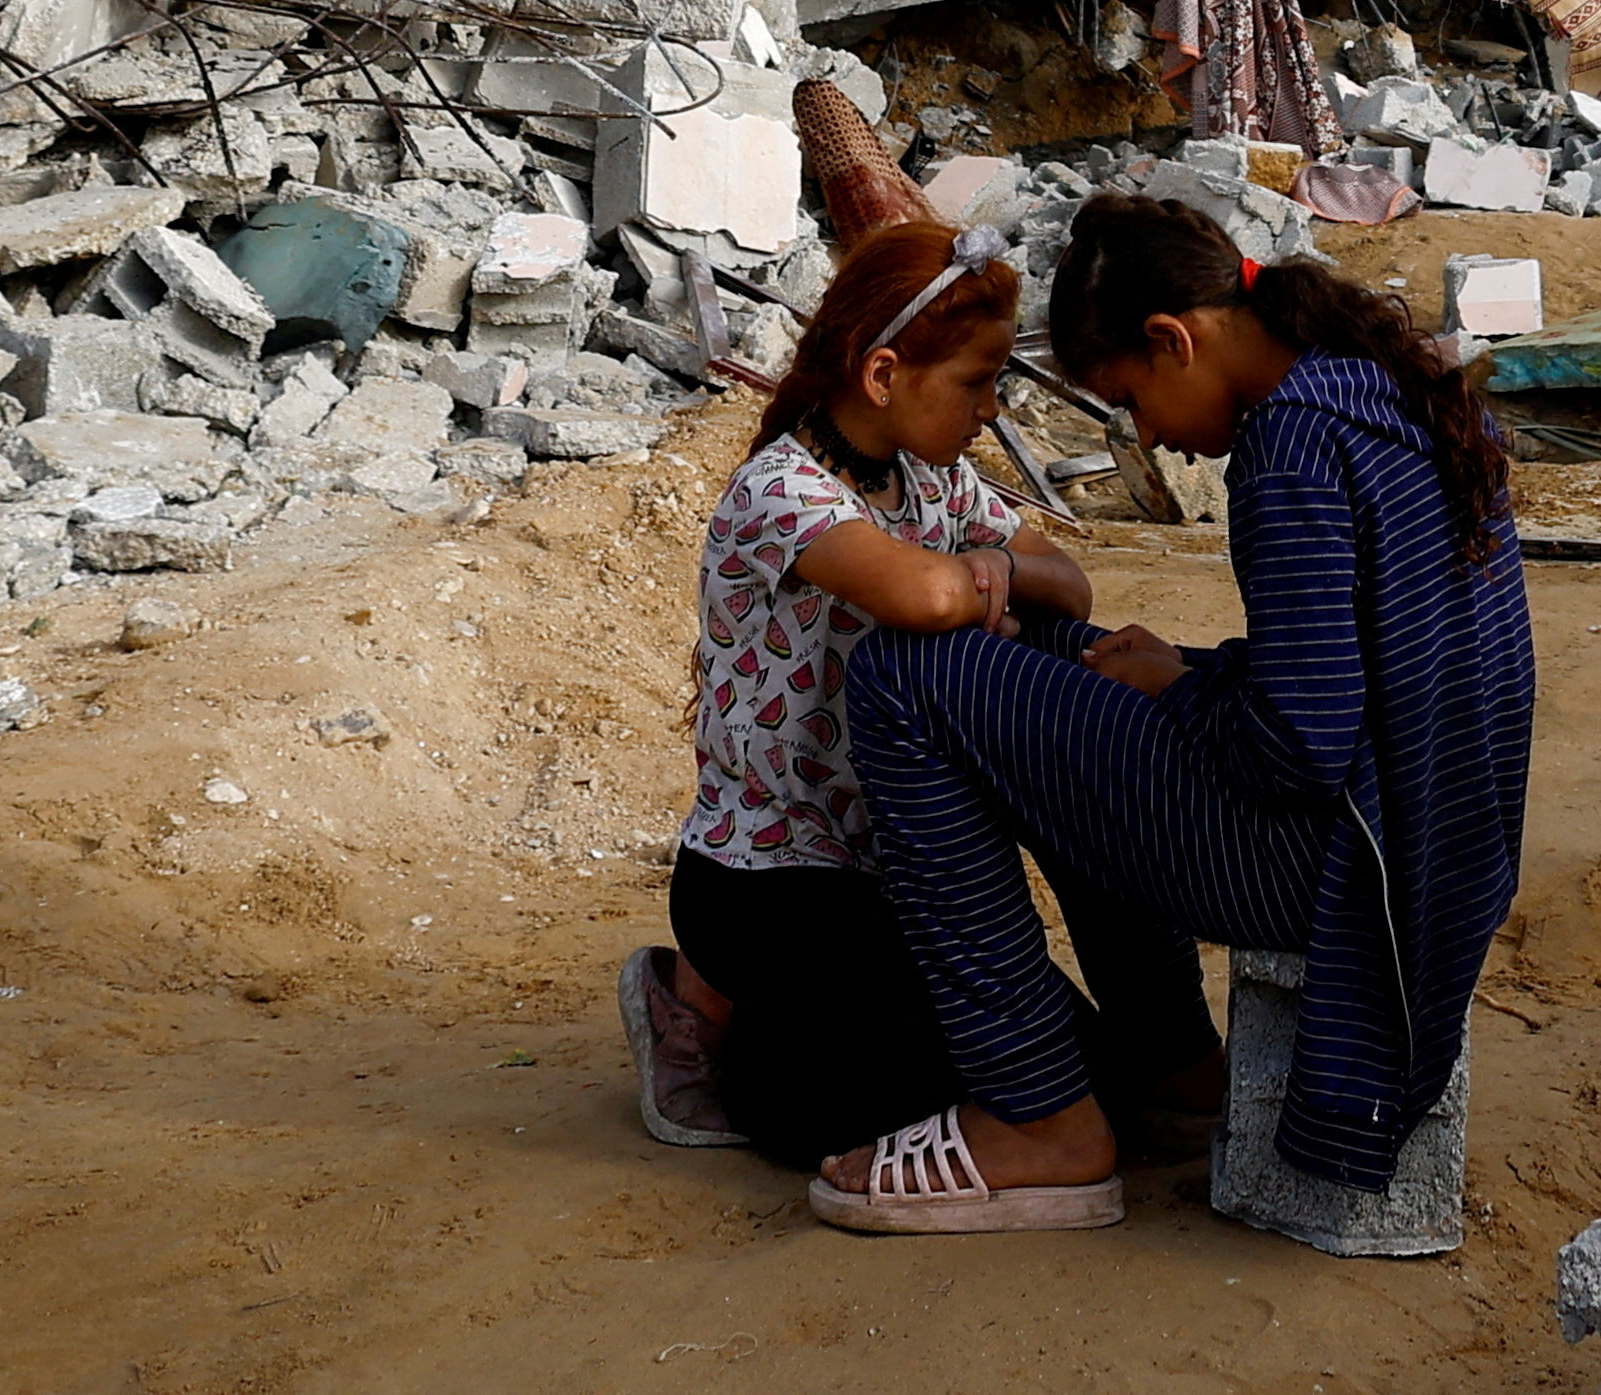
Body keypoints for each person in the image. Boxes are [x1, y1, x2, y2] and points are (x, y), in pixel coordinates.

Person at [804, 192, 1536, 1239]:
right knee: (1081, 666)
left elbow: (1296, 748)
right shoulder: (1377, 385)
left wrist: (1190, 692)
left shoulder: (1289, 446)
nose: (1148, 434)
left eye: (1133, 400)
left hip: (1350, 875)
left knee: (903, 681)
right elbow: (1368, 675)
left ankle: (1040, 1119)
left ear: (1173, 339)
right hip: (1417, 845)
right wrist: (1183, 669)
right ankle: (1181, 1073)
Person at [627, 218, 1134, 1167]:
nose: (989, 410)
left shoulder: (932, 483)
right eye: (976, 382)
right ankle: (696, 1007)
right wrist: (983, 580)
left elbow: (1068, 582)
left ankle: (744, 1013)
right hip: (765, 873)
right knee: (849, 1115)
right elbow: (923, 592)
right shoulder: (780, 491)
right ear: (883, 374)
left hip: (895, 870)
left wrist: (984, 566)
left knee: (1075, 1074)